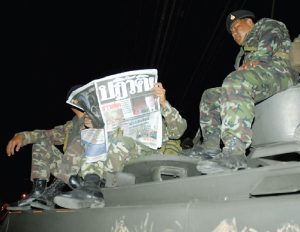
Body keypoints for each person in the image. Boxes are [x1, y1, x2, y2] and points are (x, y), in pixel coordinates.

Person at [194, 10, 299, 173]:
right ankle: (210, 147)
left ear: (249, 22)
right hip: (262, 77)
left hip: (281, 71)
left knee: (236, 80)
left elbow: (272, 36)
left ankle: (235, 152)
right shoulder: (242, 54)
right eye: (232, 32)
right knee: (210, 95)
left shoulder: (266, 25)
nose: (234, 33)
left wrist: (259, 57)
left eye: (236, 27)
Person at [54, 82, 187, 209]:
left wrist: (163, 103)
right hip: (122, 154)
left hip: (150, 152)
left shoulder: (159, 113)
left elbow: (178, 131)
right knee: (96, 136)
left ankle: (98, 183)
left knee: (122, 142)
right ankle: (91, 185)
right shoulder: (121, 116)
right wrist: (95, 125)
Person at [6, 84, 86, 210]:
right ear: (72, 102)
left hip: (92, 175)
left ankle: (55, 190)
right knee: (42, 142)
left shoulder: (98, 118)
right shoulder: (69, 127)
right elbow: (46, 134)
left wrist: (96, 122)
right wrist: (22, 136)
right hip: (71, 177)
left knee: (80, 140)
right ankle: (38, 192)